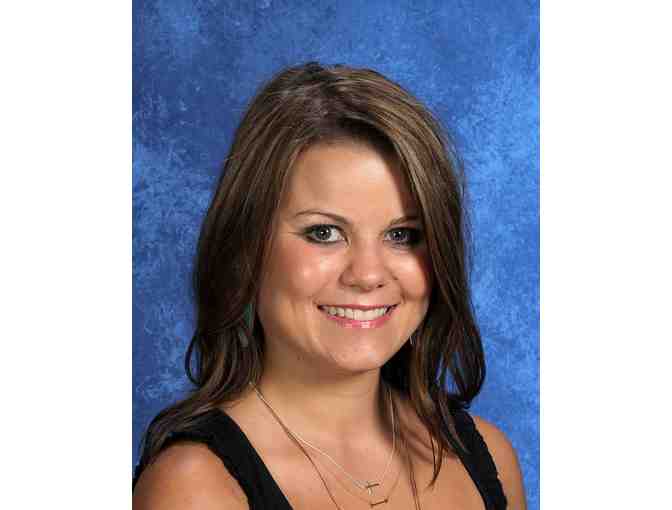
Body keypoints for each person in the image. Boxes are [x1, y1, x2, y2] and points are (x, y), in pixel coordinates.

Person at [132, 62, 527, 509]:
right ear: (245, 251)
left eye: (402, 235)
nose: (368, 274)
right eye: (324, 233)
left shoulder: (489, 456)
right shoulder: (194, 488)